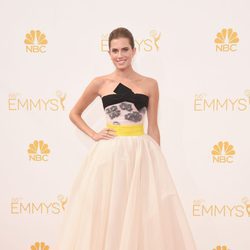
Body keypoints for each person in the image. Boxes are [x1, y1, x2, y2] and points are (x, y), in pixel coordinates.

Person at [55, 27, 197, 250]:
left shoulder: (150, 84)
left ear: (133, 51)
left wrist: (157, 160)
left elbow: (153, 126)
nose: (119, 55)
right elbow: (74, 113)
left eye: (124, 49)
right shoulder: (99, 83)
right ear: (108, 53)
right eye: (114, 50)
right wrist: (94, 134)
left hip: (140, 152)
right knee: (108, 207)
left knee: (141, 211)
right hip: (109, 154)